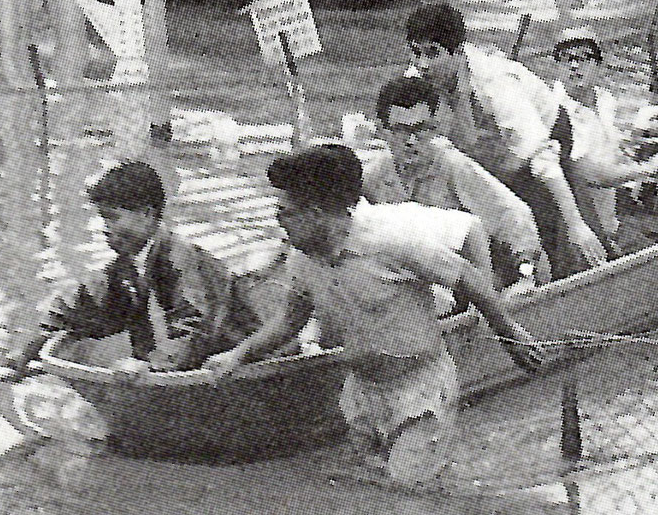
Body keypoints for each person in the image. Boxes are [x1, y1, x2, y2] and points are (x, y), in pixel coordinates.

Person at [207, 144, 546, 484]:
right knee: (375, 489)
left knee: (408, 492)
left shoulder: (392, 242)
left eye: (285, 213)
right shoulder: (301, 260)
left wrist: (510, 335)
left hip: (420, 386)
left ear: (315, 213)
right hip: (361, 394)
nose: (279, 223)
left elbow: (467, 276)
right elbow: (288, 322)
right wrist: (238, 354)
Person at [403, 0, 608, 276]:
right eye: (416, 53)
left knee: (558, 215)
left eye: (433, 54)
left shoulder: (495, 82)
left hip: (548, 133)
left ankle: (590, 261)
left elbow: (543, 157)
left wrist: (575, 224)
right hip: (490, 145)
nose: (423, 64)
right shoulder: (416, 77)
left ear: (457, 51)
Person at [11, 161, 258, 377]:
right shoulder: (128, 264)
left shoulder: (181, 260)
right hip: (192, 363)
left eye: (112, 217)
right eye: (102, 218)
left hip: (235, 360)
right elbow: (77, 305)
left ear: (146, 214)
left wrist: (152, 366)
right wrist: (29, 348)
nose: (104, 228)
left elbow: (195, 327)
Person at [359, 73, 544, 289]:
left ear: (434, 126)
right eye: (401, 131)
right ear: (382, 130)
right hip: (416, 288)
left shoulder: (452, 165)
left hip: (473, 284)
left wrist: (526, 276)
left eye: (420, 129)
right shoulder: (373, 176)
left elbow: (513, 216)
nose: (411, 141)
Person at [544, 25, 658, 250]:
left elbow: (612, 147)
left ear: (599, 65)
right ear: (556, 66)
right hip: (580, 231)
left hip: (611, 221)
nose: (574, 65)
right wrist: (648, 170)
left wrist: (644, 141)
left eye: (584, 58)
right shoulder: (557, 112)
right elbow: (589, 173)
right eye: (566, 58)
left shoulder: (604, 99)